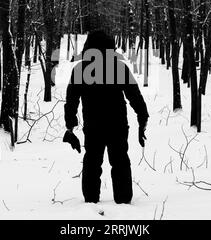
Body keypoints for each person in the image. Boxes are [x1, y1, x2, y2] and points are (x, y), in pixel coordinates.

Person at [63, 30, 149, 204]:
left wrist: (70, 127)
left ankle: (90, 201)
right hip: (117, 124)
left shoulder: (81, 69)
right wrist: (142, 118)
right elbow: (134, 95)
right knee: (120, 162)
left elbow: (71, 100)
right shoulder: (118, 67)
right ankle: (123, 200)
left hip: (93, 125)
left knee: (92, 162)